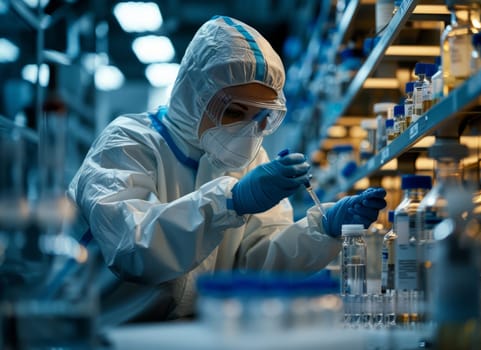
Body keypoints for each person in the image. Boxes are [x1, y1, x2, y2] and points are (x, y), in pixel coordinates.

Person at [66, 15, 387, 325]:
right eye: (234, 111)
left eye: (261, 117)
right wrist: (230, 201)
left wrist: (320, 230)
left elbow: (256, 264)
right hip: (109, 332)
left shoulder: (252, 160)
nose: (247, 130)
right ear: (194, 96)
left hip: (195, 332)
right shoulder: (128, 142)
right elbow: (133, 248)